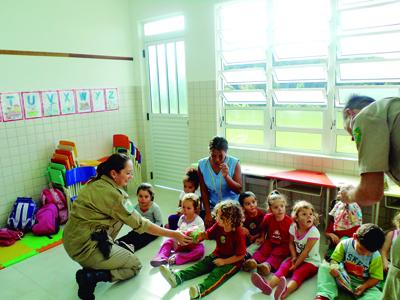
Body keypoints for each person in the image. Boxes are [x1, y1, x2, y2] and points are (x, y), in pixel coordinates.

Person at [63, 154, 191, 300]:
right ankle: (92, 276)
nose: (131, 177)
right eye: (128, 173)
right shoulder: (117, 196)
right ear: (114, 173)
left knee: (121, 220)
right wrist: (174, 234)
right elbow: (141, 224)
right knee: (134, 266)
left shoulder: (95, 183)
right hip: (85, 248)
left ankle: (96, 263)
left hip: (71, 240)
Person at [338, 95, 400, 299]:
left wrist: (348, 194)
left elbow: (370, 193)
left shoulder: (364, 118)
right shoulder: (390, 111)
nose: (352, 138)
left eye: (349, 131)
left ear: (350, 114)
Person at [159, 200, 246, 299]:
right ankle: (178, 277)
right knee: (201, 266)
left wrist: (224, 261)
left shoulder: (239, 233)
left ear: (230, 220)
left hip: (233, 261)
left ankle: (200, 291)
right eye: (217, 215)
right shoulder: (218, 225)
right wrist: (195, 236)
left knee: (216, 274)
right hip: (218, 254)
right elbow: (207, 234)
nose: (216, 218)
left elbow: (241, 255)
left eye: (220, 217)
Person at [251, 200, 320, 300]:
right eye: (304, 214)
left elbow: (305, 252)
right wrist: (293, 257)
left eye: (311, 214)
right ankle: (268, 286)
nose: (309, 216)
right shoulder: (293, 227)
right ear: (296, 218)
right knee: (284, 267)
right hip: (296, 257)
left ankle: (284, 293)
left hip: (311, 262)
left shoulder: (313, 232)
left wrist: (295, 265)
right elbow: (291, 243)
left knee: (299, 273)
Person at [314, 223, 385, 300]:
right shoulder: (344, 244)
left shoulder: (376, 256)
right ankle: (325, 295)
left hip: (362, 284)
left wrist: (365, 286)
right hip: (341, 277)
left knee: (378, 296)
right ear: (354, 237)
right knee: (324, 267)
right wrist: (334, 267)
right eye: (361, 249)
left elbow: (376, 278)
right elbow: (334, 260)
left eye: (369, 252)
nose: (364, 254)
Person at [243, 190, 292, 276]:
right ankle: (253, 262)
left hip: (283, 244)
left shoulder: (289, 221)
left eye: (282, 206)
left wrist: (292, 249)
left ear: (285, 206)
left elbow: (293, 236)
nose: (280, 209)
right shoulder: (268, 218)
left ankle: (267, 266)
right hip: (270, 241)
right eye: (276, 207)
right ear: (270, 209)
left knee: (277, 255)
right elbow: (264, 228)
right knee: (263, 250)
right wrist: (262, 237)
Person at [198, 136, 242, 228]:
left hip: (231, 206)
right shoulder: (202, 164)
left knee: (227, 229)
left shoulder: (234, 163)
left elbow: (238, 190)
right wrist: (208, 213)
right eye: (213, 155)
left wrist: (226, 176)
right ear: (209, 152)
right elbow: (204, 191)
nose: (217, 159)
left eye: (220, 156)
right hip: (213, 207)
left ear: (226, 152)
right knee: (204, 227)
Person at [150, 193, 205, 267]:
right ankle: (161, 257)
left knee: (200, 251)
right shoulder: (182, 218)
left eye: (188, 208)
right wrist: (176, 240)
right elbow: (178, 229)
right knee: (168, 242)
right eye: (183, 207)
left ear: (195, 209)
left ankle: (177, 258)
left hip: (193, 244)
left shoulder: (199, 221)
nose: (185, 210)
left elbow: (202, 236)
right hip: (180, 242)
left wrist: (194, 240)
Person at [116, 183, 162, 251]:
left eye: (146, 197)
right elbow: (133, 218)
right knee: (132, 234)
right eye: (140, 196)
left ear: (151, 197)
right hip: (141, 226)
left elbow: (159, 222)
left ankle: (132, 247)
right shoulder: (135, 207)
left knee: (143, 238)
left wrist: (151, 230)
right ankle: (117, 242)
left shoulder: (155, 208)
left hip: (154, 229)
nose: (143, 199)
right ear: (137, 196)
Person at [238, 191, 265, 256]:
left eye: (253, 202)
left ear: (256, 201)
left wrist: (261, 237)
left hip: (257, 236)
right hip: (247, 237)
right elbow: (238, 227)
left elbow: (264, 228)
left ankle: (248, 254)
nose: (252, 205)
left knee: (259, 244)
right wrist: (242, 228)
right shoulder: (243, 215)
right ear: (242, 207)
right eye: (248, 204)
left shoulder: (261, 214)